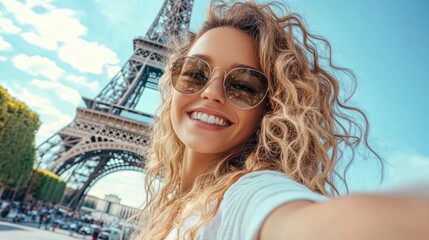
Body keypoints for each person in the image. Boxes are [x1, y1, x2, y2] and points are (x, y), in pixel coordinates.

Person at [131, 1, 429, 239]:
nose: (211, 92)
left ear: (269, 111)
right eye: (195, 73)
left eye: (244, 86)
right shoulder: (182, 209)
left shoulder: (246, 195)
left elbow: (319, 226)